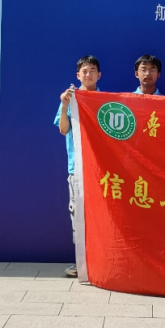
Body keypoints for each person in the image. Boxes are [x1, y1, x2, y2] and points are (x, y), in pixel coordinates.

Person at [54, 55, 100, 277]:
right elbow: (63, 130)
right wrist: (64, 106)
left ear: (99, 75)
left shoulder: (105, 101)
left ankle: (100, 262)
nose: (88, 74)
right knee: (79, 216)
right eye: (84, 71)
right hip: (78, 168)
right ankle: (81, 264)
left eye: (92, 70)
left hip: (102, 169)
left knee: (100, 215)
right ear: (78, 75)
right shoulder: (70, 99)